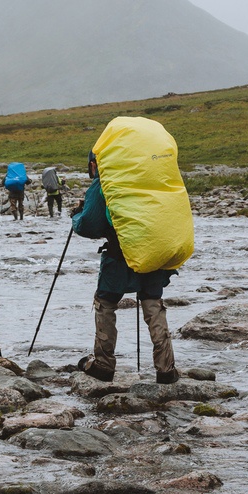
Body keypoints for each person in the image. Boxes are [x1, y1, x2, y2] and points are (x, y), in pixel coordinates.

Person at [72, 150, 181, 385]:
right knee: (153, 303)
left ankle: (103, 365)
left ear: (94, 164)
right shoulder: (151, 178)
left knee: (106, 303)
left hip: (119, 255)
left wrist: (76, 216)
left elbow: (89, 225)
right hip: (154, 251)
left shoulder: (105, 183)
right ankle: (166, 369)